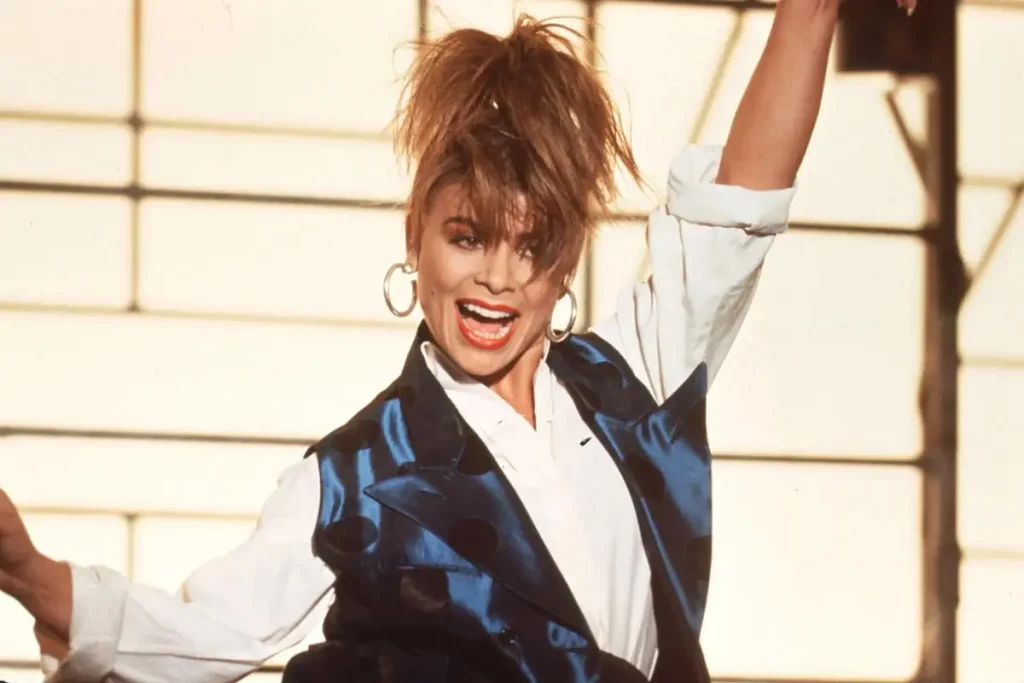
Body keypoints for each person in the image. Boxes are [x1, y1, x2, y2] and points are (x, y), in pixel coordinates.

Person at [0, 0, 917, 681]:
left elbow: (736, 210)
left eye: (533, 245)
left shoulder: (631, 385)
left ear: (566, 262)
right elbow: (212, 632)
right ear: (416, 234)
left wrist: (811, 7)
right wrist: (33, 574)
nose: (496, 277)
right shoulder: (356, 477)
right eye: (468, 236)